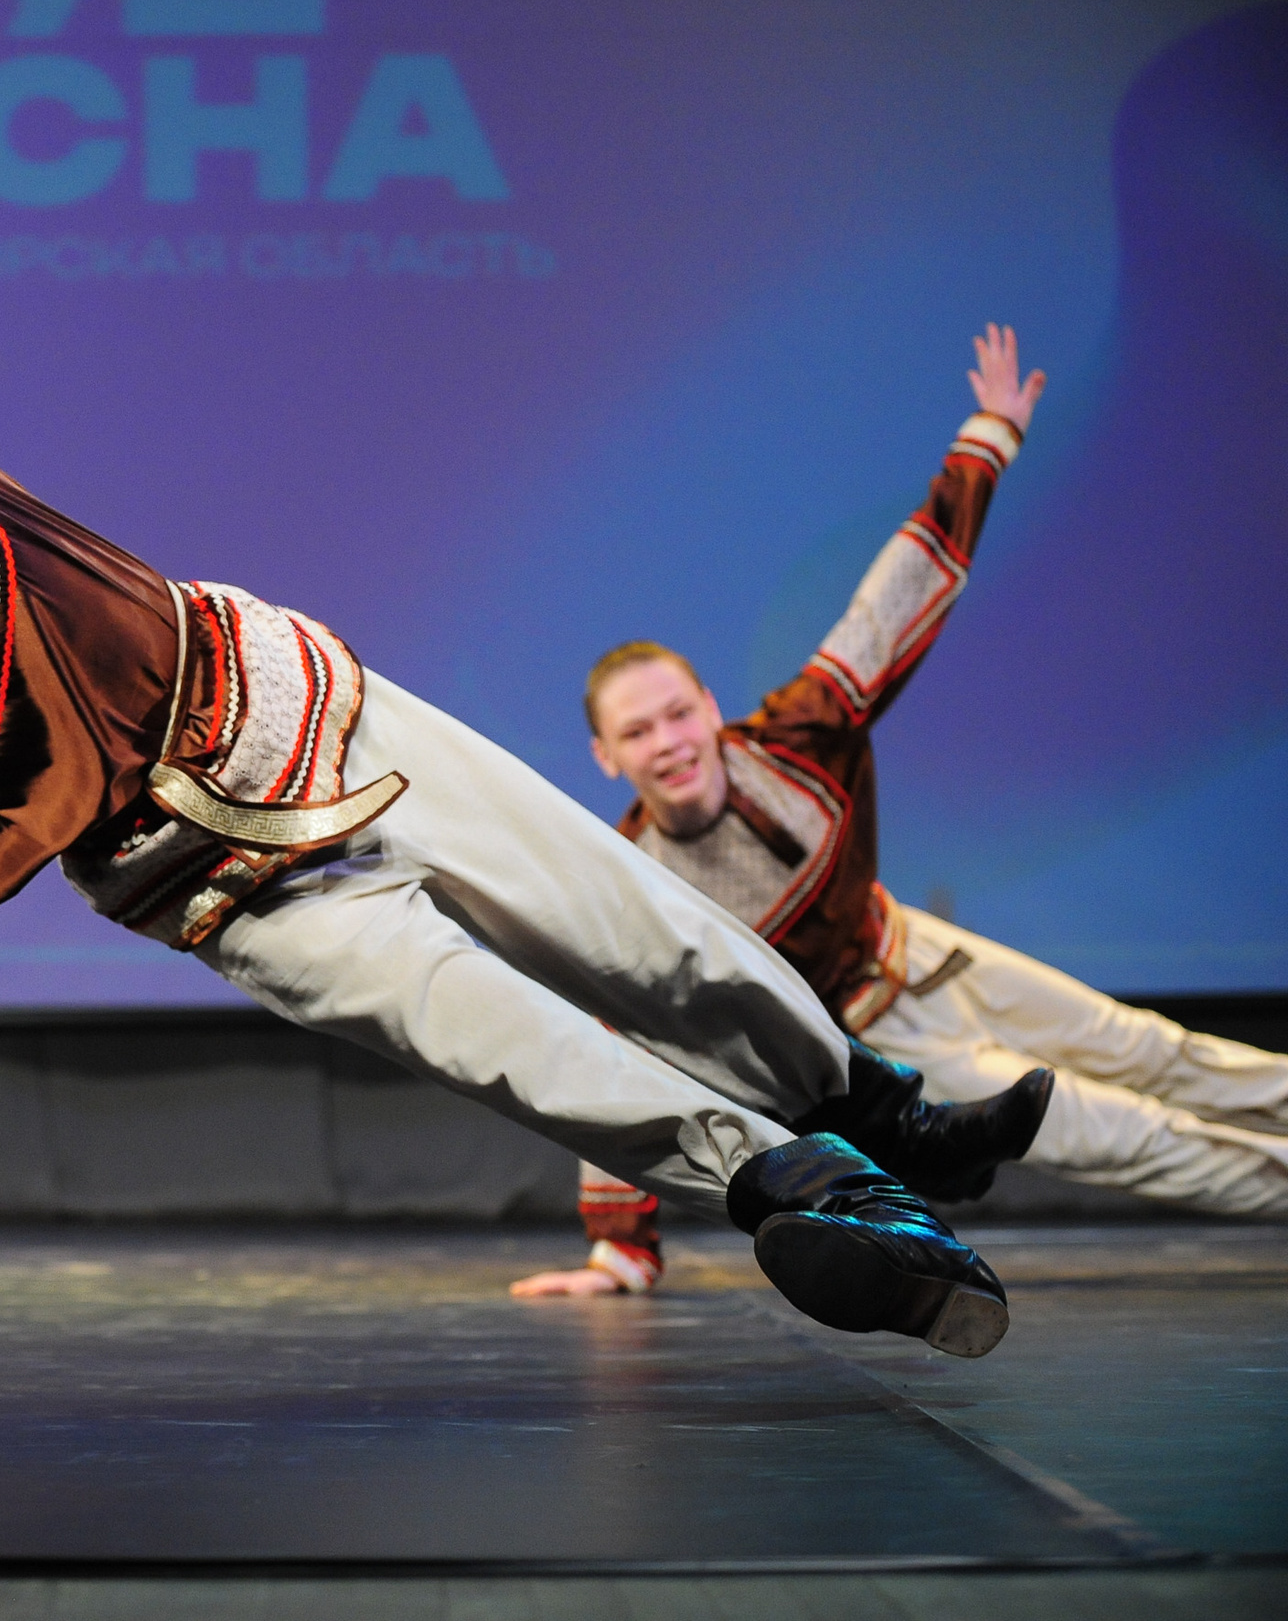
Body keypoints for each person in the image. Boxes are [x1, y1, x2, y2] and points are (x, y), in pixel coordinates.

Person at [0, 0, 1050, 1382]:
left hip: (320, 717)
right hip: (226, 892)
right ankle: (810, 1192)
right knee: (513, 1047)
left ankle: (876, 1110)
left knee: (646, 936)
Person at [514, 329, 1288, 1300]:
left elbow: (897, 596)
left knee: (1150, 1046)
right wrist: (621, 1246)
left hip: (918, 951)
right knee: (1130, 1134)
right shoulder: (636, 890)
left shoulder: (798, 738)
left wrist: (987, 438)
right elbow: (613, 1050)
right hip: (888, 1063)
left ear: (710, 708)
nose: (666, 740)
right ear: (607, 756)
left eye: (678, 712)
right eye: (638, 731)